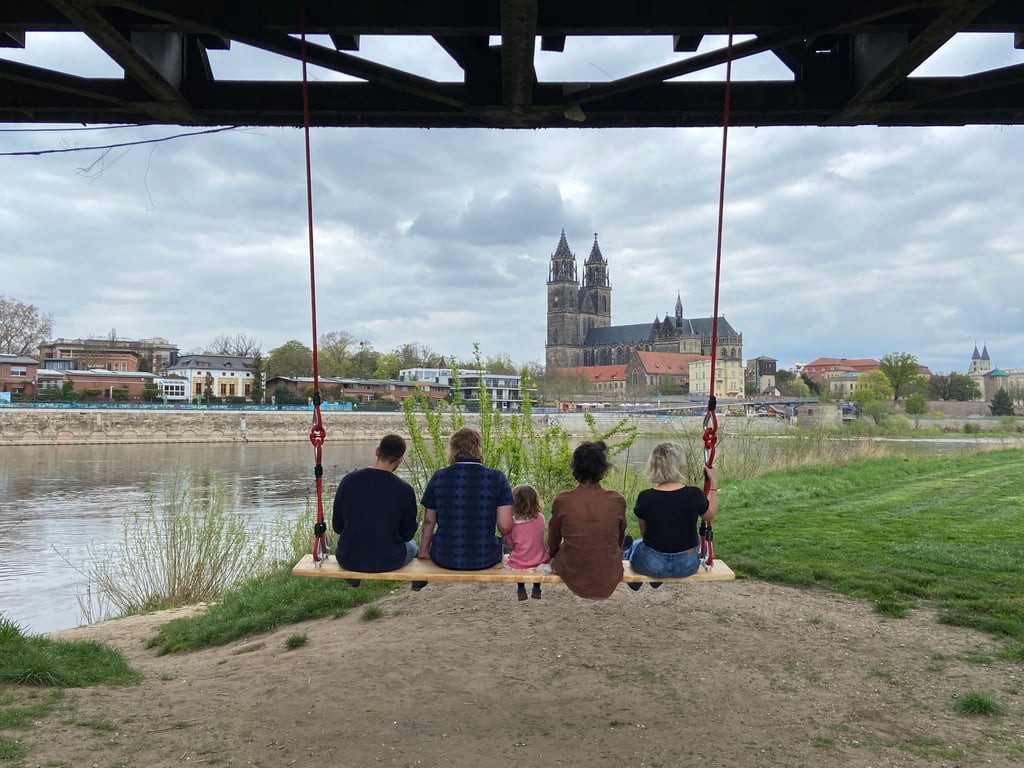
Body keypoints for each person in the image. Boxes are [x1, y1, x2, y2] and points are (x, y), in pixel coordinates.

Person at [416, 427, 514, 590]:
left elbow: (428, 521)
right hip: (485, 557)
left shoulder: (439, 476)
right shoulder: (497, 477)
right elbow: (504, 525)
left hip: (444, 556)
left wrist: (424, 551)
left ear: (453, 450)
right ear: (477, 448)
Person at [623, 441, 718, 590]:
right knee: (642, 545)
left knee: (636, 544)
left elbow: (644, 533)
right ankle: (655, 573)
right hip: (687, 565)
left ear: (654, 466)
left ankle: (633, 570)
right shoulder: (694, 494)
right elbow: (709, 516)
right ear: (681, 465)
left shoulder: (645, 497)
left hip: (653, 565)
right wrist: (713, 483)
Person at [331, 433, 419, 587]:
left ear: (377, 451)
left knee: (349, 541)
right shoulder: (405, 490)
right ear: (400, 459)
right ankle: (418, 582)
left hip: (348, 558)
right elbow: (407, 534)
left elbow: (337, 527)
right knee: (412, 546)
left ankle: (354, 575)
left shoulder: (349, 481)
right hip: (388, 561)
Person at [548, 440, 626, 600]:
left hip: (573, 571)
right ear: (603, 469)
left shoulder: (562, 500)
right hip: (609, 573)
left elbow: (553, 541)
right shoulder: (617, 500)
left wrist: (554, 555)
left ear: (575, 468)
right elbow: (619, 539)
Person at [504, 484, 549, 601]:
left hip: (519, 562)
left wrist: (505, 536)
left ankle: (521, 588)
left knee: (512, 560)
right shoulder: (540, 518)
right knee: (539, 565)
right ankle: (536, 588)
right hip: (539, 560)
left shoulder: (513, 524)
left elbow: (510, 544)